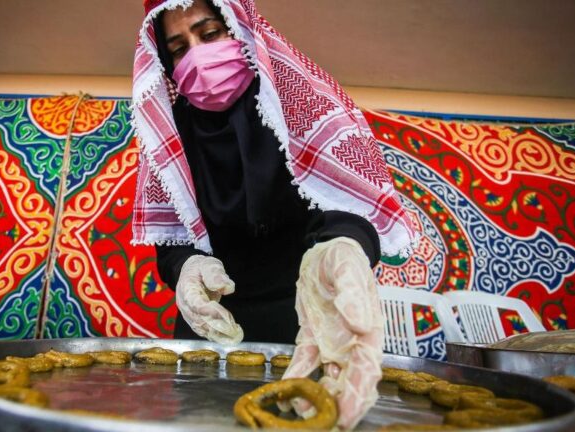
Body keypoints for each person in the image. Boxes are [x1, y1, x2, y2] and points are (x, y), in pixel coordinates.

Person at [131, 0, 417, 428]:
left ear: (240, 30)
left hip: (303, 321)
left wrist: (341, 245)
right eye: (178, 48)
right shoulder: (172, 133)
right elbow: (174, 237)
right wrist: (187, 266)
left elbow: (342, 202)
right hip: (212, 330)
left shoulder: (300, 107)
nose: (196, 55)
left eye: (209, 34)